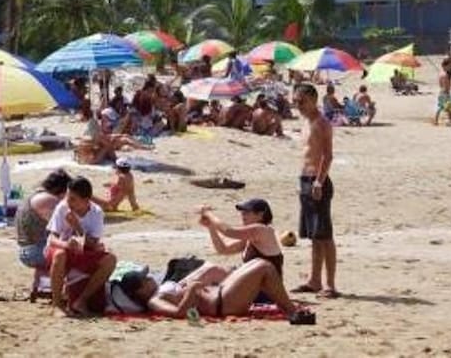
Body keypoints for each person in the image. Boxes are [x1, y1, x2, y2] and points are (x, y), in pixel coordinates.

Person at [117, 258, 314, 324]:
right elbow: (179, 314)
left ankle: (288, 308)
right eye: (145, 279)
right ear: (140, 290)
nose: (150, 278)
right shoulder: (154, 301)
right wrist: (191, 290)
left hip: (221, 293)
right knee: (264, 267)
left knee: (257, 264)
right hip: (222, 303)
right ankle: (291, 312)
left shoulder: (160, 290)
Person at [44, 176, 117, 316]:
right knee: (60, 255)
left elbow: (93, 243)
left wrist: (77, 227)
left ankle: (81, 300)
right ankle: (57, 304)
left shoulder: (96, 212)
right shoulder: (62, 208)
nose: (68, 201)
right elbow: (52, 238)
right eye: (67, 197)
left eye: (73, 199)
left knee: (110, 260)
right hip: (62, 249)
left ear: (86, 200)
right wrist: (66, 244)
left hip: (82, 251)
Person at [291, 83, 338, 299]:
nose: (298, 105)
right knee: (314, 236)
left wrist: (319, 181)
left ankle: (330, 284)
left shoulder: (322, 123)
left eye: (301, 101)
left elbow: (327, 156)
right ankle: (314, 280)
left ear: (313, 100)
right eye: (296, 101)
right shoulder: (306, 123)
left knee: (325, 235)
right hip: (306, 180)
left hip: (318, 181)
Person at [17, 169, 73, 299]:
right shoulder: (49, 200)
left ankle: (41, 286)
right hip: (34, 251)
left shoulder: (35, 196)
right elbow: (64, 225)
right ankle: (60, 289)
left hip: (28, 249)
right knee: (70, 254)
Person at [198, 199, 284, 276]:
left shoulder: (262, 230)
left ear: (260, 214)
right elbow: (223, 249)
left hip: (267, 287)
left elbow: (228, 231)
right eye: (242, 212)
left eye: (247, 212)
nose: (242, 215)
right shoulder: (251, 237)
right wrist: (211, 227)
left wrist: (208, 214)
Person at [434, 61, 451, 126]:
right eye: (449, 66)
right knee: (446, 107)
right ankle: (437, 121)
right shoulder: (445, 75)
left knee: (445, 108)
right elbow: (445, 85)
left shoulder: (442, 74)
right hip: (445, 93)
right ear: (445, 66)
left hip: (443, 92)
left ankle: (450, 121)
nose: (450, 67)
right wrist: (447, 92)